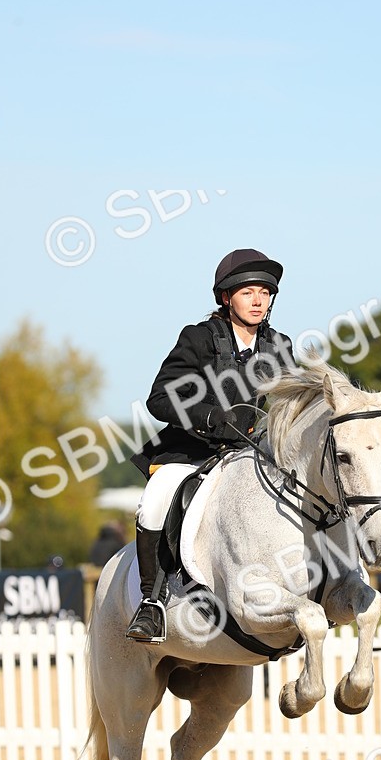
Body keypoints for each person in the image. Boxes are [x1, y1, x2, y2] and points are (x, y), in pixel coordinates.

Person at [126, 248, 296, 643]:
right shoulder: (199, 338)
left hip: (250, 453)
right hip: (192, 451)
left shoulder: (278, 345)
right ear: (226, 297)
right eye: (248, 292)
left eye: (265, 293)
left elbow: (293, 402)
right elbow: (159, 398)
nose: (258, 301)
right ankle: (151, 603)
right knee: (155, 500)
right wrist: (207, 415)